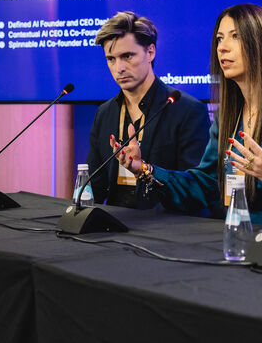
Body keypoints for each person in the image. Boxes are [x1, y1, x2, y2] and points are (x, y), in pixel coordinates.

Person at [114, 3, 262, 229]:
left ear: (261, 43)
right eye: (219, 39)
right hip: (239, 235)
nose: (222, 48)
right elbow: (203, 186)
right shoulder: (230, 113)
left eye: (235, 36)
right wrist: (144, 169)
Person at [87, 11, 210, 209]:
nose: (119, 68)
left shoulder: (188, 110)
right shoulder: (104, 113)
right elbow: (94, 187)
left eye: (127, 56)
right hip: (112, 223)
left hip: (166, 226)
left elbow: (195, 189)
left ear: (150, 52)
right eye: (111, 59)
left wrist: (145, 169)